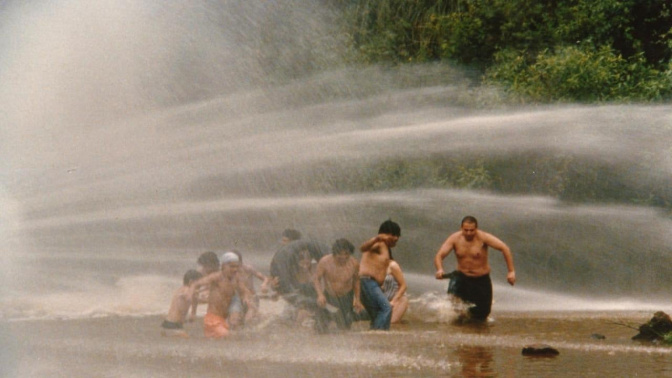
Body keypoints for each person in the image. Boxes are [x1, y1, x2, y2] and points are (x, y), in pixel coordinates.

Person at [434, 216, 516, 322]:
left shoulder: (483, 237)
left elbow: (504, 248)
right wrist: (440, 269)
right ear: (461, 228)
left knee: (482, 314)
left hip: (481, 279)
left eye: (472, 230)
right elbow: (440, 255)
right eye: (466, 230)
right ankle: (458, 328)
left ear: (476, 229)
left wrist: (511, 271)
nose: (468, 233)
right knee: (456, 307)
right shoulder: (455, 238)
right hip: (461, 277)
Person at [191, 252, 255, 338]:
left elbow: (245, 291)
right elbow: (196, 284)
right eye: (232, 267)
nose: (235, 269)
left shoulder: (236, 278)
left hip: (224, 318)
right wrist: (193, 310)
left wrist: (247, 298)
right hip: (212, 319)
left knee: (236, 332)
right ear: (224, 266)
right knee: (231, 337)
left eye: (236, 267)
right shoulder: (216, 277)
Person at [313, 238, 364, 333]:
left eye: (346, 254)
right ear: (334, 253)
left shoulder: (354, 263)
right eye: (340, 254)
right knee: (319, 328)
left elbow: (356, 281)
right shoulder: (325, 262)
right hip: (329, 296)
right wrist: (320, 295)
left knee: (344, 328)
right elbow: (316, 279)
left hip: (346, 296)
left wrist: (357, 299)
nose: (343, 257)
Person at [358, 219, 401, 330]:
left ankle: (375, 337)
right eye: (394, 235)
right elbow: (362, 248)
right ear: (385, 234)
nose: (397, 238)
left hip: (369, 284)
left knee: (377, 314)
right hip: (368, 282)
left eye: (398, 235)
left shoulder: (384, 248)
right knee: (387, 308)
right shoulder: (379, 243)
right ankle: (379, 333)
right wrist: (377, 238)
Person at [227, 249, 270, 327]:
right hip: (238, 299)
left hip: (252, 297)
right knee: (234, 321)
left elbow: (265, 278)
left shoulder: (248, 269)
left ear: (240, 262)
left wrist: (264, 285)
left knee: (248, 320)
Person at [160, 269, 203, 338]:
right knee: (189, 339)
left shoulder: (182, 289)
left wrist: (193, 312)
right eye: (198, 284)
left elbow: (195, 300)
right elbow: (189, 298)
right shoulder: (186, 289)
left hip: (169, 324)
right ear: (191, 282)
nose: (200, 286)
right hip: (172, 326)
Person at [382, 260, 408, 324]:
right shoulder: (374, 266)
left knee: (391, 324)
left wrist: (393, 301)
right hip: (384, 301)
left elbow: (404, 285)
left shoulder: (392, 265)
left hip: (398, 300)